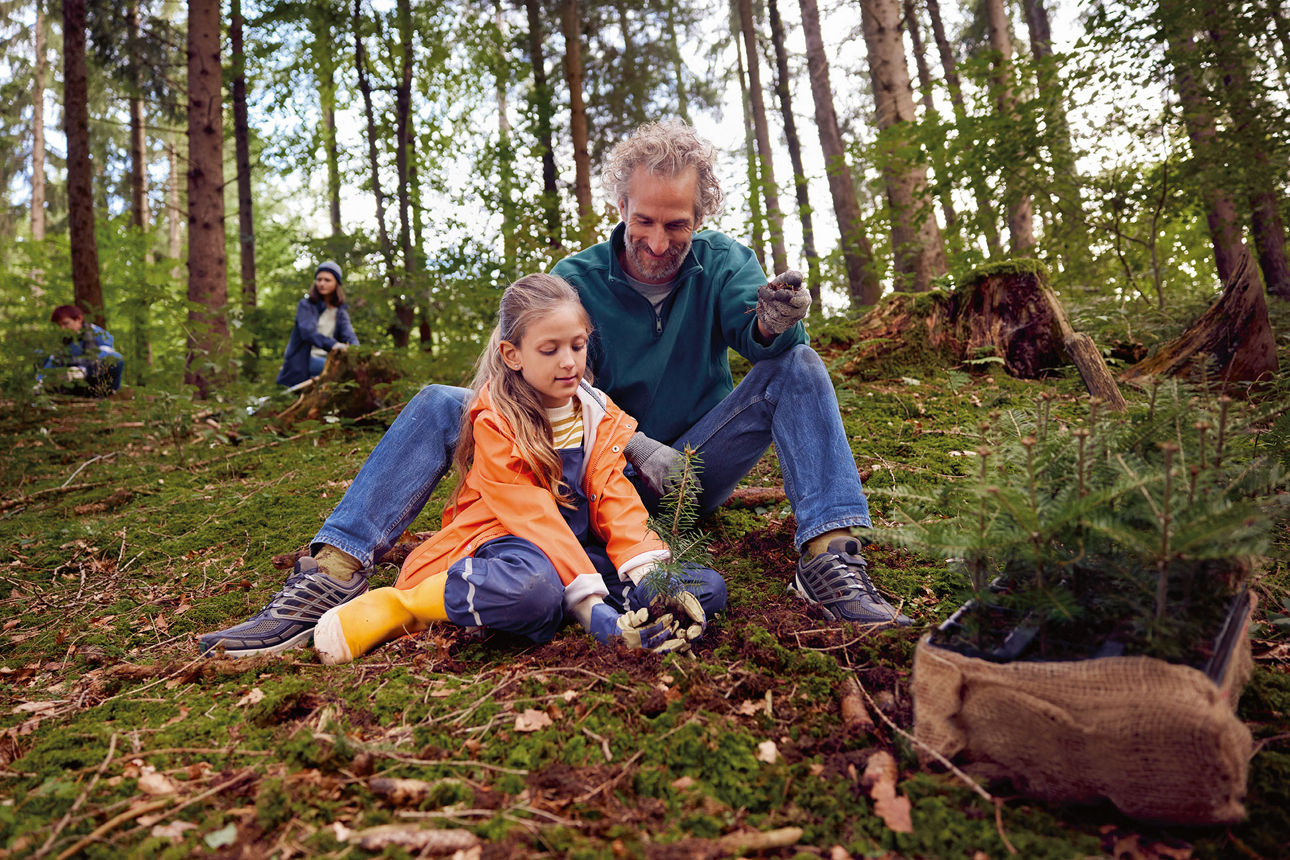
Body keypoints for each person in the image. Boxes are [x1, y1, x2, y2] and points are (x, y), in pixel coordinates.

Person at [200, 119, 908, 659]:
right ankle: (334, 568)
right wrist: (631, 442)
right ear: (620, 205)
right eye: (645, 222)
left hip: (688, 470)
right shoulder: (580, 278)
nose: (660, 243)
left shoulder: (722, 262)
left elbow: (758, 335)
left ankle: (828, 559)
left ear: (701, 216)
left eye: (679, 226)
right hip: (588, 471)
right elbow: (527, 382)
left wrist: (774, 322)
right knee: (446, 400)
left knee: (802, 365)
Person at [310, 274, 723, 663]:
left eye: (578, 346)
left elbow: (615, 497)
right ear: (513, 355)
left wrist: (648, 575)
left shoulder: (599, 414)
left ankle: (609, 615)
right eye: (550, 350)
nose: (569, 363)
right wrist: (591, 607)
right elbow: (532, 515)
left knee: (703, 589)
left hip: (578, 553)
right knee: (532, 592)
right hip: (510, 544)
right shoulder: (497, 418)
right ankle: (405, 606)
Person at [276, 261, 358, 387]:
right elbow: (308, 332)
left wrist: (357, 352)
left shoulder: (340, 311)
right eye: (319, 279)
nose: (321, 283)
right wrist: (335, 345)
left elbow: (349, 335)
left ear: (336, 283)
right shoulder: (306, 305)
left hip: (329, 359)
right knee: (343, 373)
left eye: (327, 280)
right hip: (303, 361)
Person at [39, 305, 124, 395]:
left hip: (96, 382)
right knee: (40, 354)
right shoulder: (65, 340)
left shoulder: (98, 333)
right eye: (60, 325)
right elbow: (54, 360)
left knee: (115, 358)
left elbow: (108, 355)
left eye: (65, 323)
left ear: (79, 319)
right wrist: (41, 381)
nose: (62, 328)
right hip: (74, 384)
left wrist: (82, 369)